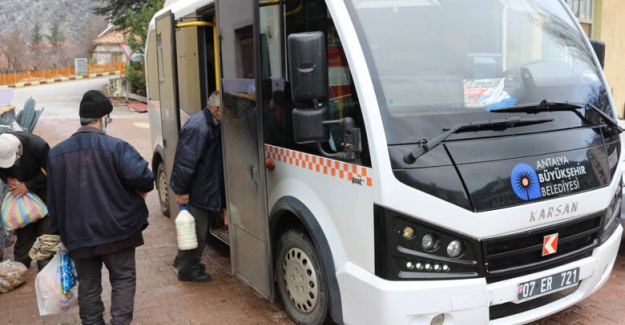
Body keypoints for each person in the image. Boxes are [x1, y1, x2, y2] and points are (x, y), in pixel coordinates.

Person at [47, 90, 154, 325]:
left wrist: (57, 235)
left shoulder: (56, 154)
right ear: (104, 118)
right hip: (118, 230)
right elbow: (144, 179)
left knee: (88, 286)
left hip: (78, 235)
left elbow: (52, 201)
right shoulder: (116, 147)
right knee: (123, 279)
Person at [170, 90, 225, 282]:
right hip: (197, 190)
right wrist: (182, 190)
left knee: (195, 230)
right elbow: (185, 162)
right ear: (218, 109)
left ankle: (183, 261)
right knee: (197, 232)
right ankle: (188, 270)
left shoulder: (210, 122)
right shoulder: (199, 126)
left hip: (203, 187)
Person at [0, 131, 50, 270]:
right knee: (23, 232)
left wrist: (28, 186)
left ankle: (44, 266)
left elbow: (50, 170)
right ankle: (21, 265)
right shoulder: (2, 144)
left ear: (18, 148)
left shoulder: (38, 146)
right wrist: (8, 179)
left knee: (45, 231)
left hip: (43, 191)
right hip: (21, 197)